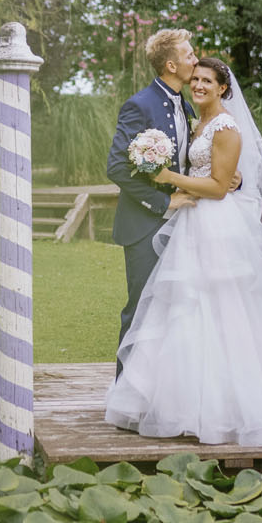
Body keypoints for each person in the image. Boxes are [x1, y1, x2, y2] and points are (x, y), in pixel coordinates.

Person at [104, 55, 262, 445]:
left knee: (225, 308)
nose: (200, 86)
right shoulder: (198, 122)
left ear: (224, 88)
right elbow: (215, 174)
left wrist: (170, 178)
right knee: (185, 308)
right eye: (197, 80)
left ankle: (235, 406)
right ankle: (181, 401)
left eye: (208, 81)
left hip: (217, 226)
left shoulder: (226, 126)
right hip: (193, 224)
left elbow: (220, 186)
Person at [104, 29, 199, 370]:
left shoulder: (185, 105)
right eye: (190, 55)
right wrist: (163, 203)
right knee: (141, 309)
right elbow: (116, 166)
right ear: (171, 65)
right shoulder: (139, 105)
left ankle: (160, 395)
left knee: (176, 310)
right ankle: (124, 397)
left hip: (182, 227)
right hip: (143, 227)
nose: (196, 60)